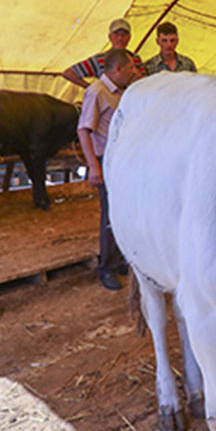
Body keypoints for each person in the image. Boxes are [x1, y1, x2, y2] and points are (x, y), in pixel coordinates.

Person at [77, 48, 141, 290]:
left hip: (122, 159)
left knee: (124, 211)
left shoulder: (122, 92)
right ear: (118, 69)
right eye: (132, 68)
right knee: (109, 214)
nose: (134, 72)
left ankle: (121, 258)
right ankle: (106, 267)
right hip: (106, 160)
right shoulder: (96, 92)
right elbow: (84, 130)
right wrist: (94, 166)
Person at [61, 18, 144, 88]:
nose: (120, 38)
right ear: (110, 37)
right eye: (116, 34)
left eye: (124, 34)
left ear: (129, 37)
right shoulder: (100, 59)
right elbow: (68, 73)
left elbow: (144, 79)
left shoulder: (135, 59)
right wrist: (91, 88)